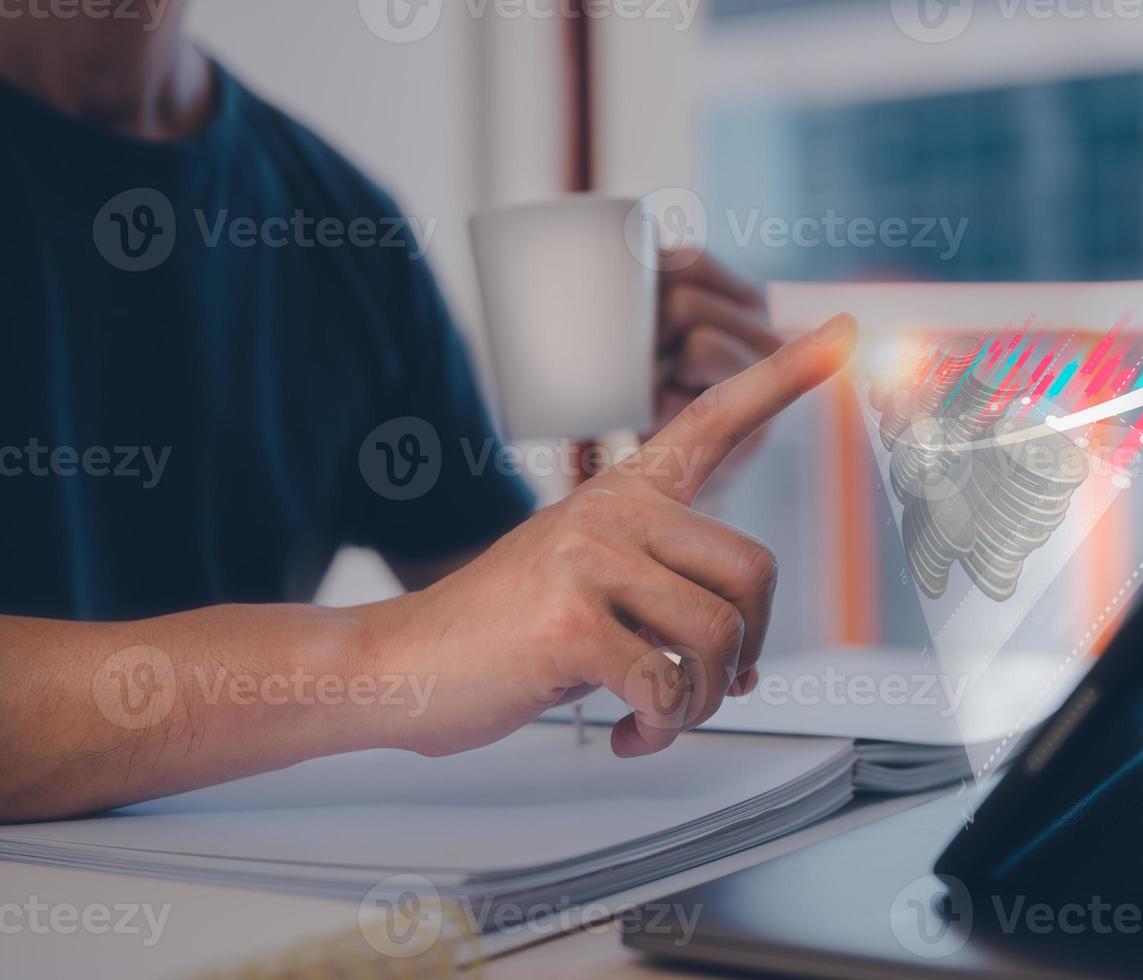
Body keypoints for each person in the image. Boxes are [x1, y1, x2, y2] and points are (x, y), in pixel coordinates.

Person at [0, 2, 857, 822]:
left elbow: (489, 619)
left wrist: (663, 482)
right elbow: (426, 646)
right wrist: (372, 660)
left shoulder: (334, 218)